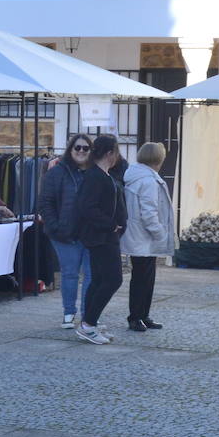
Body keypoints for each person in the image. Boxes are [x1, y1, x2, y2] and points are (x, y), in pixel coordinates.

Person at [73, 135, 127, 344]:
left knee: (98, 279)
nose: (117, 157)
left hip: (105, 235)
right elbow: (87, 207)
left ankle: (90, 322)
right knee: (113, 279)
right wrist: (110, 224)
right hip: (101, 236)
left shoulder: (101, 174)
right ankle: (88, 324)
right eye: (116, 152)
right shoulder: (95, 176)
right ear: (109, 153)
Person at [37, 134, 94, 329]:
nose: (81, 151)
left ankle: (88, 315)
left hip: (91, 233)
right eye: (77, 147)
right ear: (70, 149)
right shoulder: (57, 172)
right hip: (65, 233)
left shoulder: (96, 172)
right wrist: (56, 226)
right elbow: (45, 202)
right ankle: (69, 312)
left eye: (85, 148)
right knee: (70, 274)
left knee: (91, 275)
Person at [122, 142, 175, 331]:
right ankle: (136, 317)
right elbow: (149, 213)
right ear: (158, 159)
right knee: (142, 279)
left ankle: (142, 315)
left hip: (139, 236)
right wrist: (161, 233)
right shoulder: (147, 180)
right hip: (143, 237)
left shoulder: (138, 176)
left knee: (144, 278)